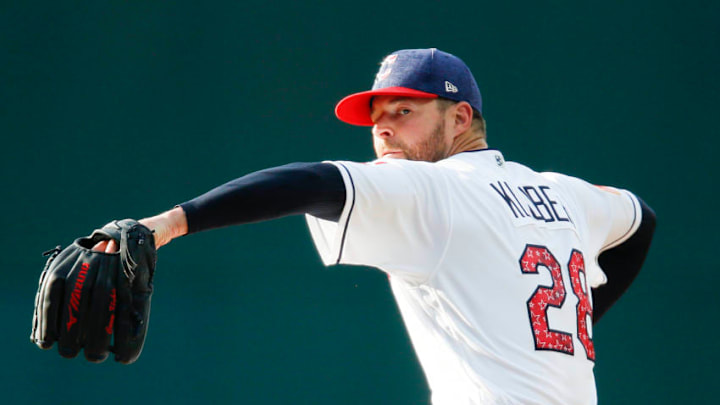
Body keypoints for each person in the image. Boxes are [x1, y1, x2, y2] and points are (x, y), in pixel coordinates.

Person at [94, 48, 656, 404]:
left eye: (404, 111)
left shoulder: (435, 188)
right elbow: (639, 220)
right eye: (377, 118)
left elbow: (311, 182)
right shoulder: (565, 194)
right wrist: (558, 331)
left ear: (460, 118)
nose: (383, 130)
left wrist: (167, 225)